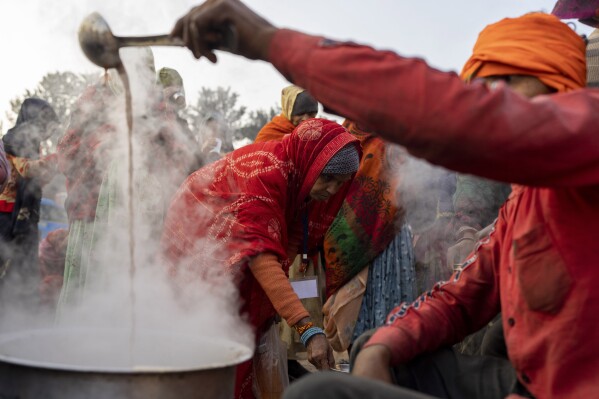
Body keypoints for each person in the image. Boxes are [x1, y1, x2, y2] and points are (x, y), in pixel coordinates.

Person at [170, 3, 596, 398]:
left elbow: (457, 116)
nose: (493, 103)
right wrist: (382, 345)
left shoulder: (588, 131)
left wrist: (269, 41)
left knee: (316, 393)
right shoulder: (523, 200)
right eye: (483, 88)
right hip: (527, 377)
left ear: (562, 90)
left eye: (505, 85)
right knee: (366, 345)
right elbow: (461, 297)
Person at [162, 118, 361, 399]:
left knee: (251, 328)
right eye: (327, 178)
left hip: (242, 244)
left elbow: (289, 239)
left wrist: (274, 303)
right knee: (218, 328)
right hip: (198, 237)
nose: (331, 189)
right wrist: (307, 328)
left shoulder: (300, 178)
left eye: (339, 183)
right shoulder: (265, 174)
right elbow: (262, 258)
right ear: (311, 162)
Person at [323, 120, 416, 351]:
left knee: (386, 311)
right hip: (348, 235)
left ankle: (384, 357)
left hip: (388, 236)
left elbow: (409, 187)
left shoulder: (392, 138)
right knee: (357, 313)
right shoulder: (342, 136)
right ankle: (361, 358)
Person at [0, 98, 60, 308]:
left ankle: (17, 320)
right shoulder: (17, 139)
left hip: (20, 217)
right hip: (9, 218)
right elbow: (26, 171)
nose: (49, 133)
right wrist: (60, 157)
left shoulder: (27, 141)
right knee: (13, 271)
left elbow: (33, 182)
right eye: (48, 125)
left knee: (21, 272)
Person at [254, 85, 318, 143]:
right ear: (288, 111)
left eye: (311, 113)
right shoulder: (268, 135)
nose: (306, 119)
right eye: (300, 114)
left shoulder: (317, 133)